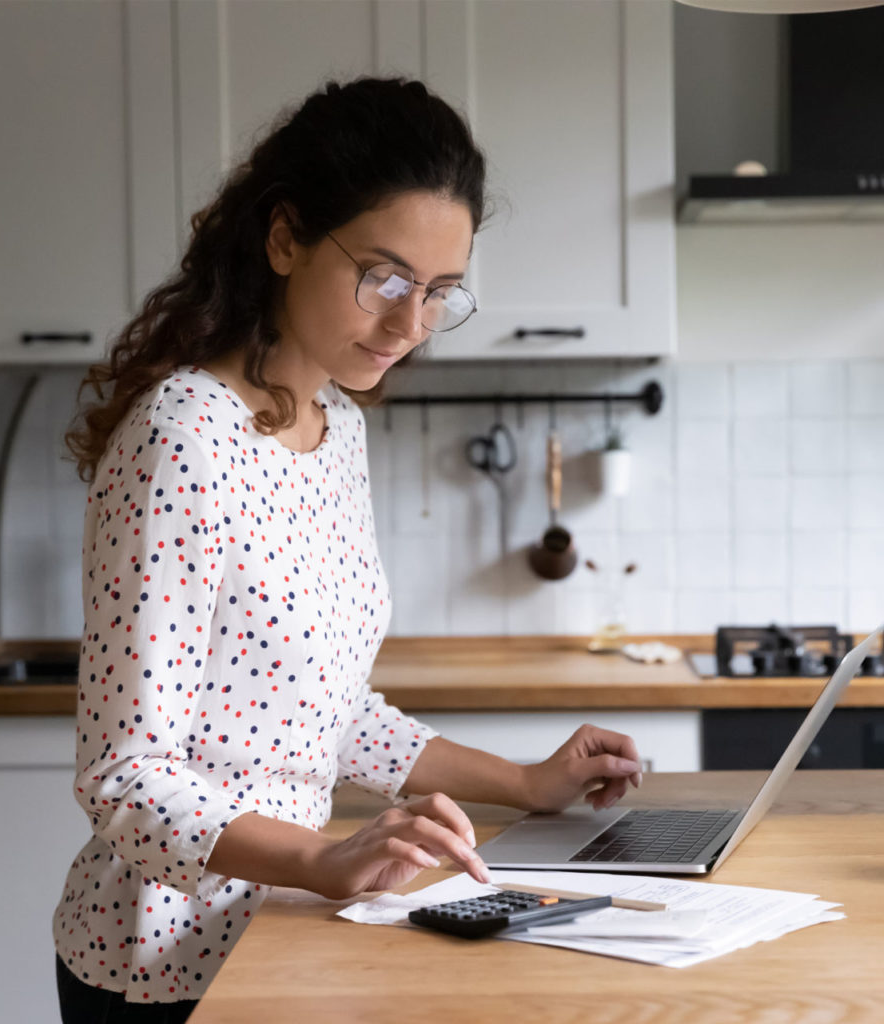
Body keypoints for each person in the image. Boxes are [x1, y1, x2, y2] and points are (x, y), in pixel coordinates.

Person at [53, 76, 642, 1022]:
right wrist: (325, 859)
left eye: (440, 293)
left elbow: (325, 714)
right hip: (164, 963)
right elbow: (126, 779)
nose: (410, 326)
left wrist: (528, 784)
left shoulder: (334, 426)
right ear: (284, 238)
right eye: (386, 278)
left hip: (286, 930)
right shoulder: (183, 439)